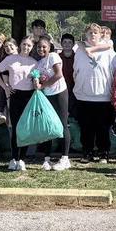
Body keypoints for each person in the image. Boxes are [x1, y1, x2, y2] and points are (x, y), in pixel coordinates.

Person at [72, 24, 116, 163]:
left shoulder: (109, 51)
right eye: (90, 33)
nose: (93, 35)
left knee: (103, 128)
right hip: (83, 96)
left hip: (103, 96)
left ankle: (104, 153)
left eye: (95, 33)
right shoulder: (79, 50)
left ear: (100, 35)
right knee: (86, 127)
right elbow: (75, 72)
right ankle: (87, 152)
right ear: (86, 35)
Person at [0, 38, 37, 171]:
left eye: (29, 45)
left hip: (28, 96)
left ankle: (22, 159)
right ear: (20, 45)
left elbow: (38, 77)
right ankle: (13, 158)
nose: (26, 47)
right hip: (14, 96)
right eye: (24, 44)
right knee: (15, 128)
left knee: (26, 129)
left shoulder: (34, 63)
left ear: (32, 47)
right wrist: (5, 86)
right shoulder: (10, 59)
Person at [33, 36, 71, 171]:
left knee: (62, 124)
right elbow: (36, 78)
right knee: (47, 125)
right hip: (47, 96)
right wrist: (36, 82)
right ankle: (47, 159)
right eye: (38, 47)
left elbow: (58, 74)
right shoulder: (38, 63)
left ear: (49, 47)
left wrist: (43, 86)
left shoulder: (54, 56)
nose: (41, 49)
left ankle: (65, 159)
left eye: (44, 46)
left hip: (60, 93)